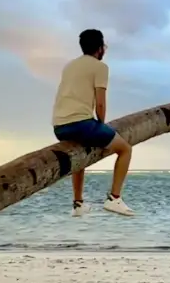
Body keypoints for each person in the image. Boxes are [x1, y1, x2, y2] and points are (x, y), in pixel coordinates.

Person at [52, 29, 134, 217]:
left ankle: (78, 204)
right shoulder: (100, 67)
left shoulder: (69, 66)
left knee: (80, 154)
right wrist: (101, 125)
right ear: (99, 48)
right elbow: (100, 102)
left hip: (59, 126)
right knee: (125, 149)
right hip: (81, 124)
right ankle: (114, 198)